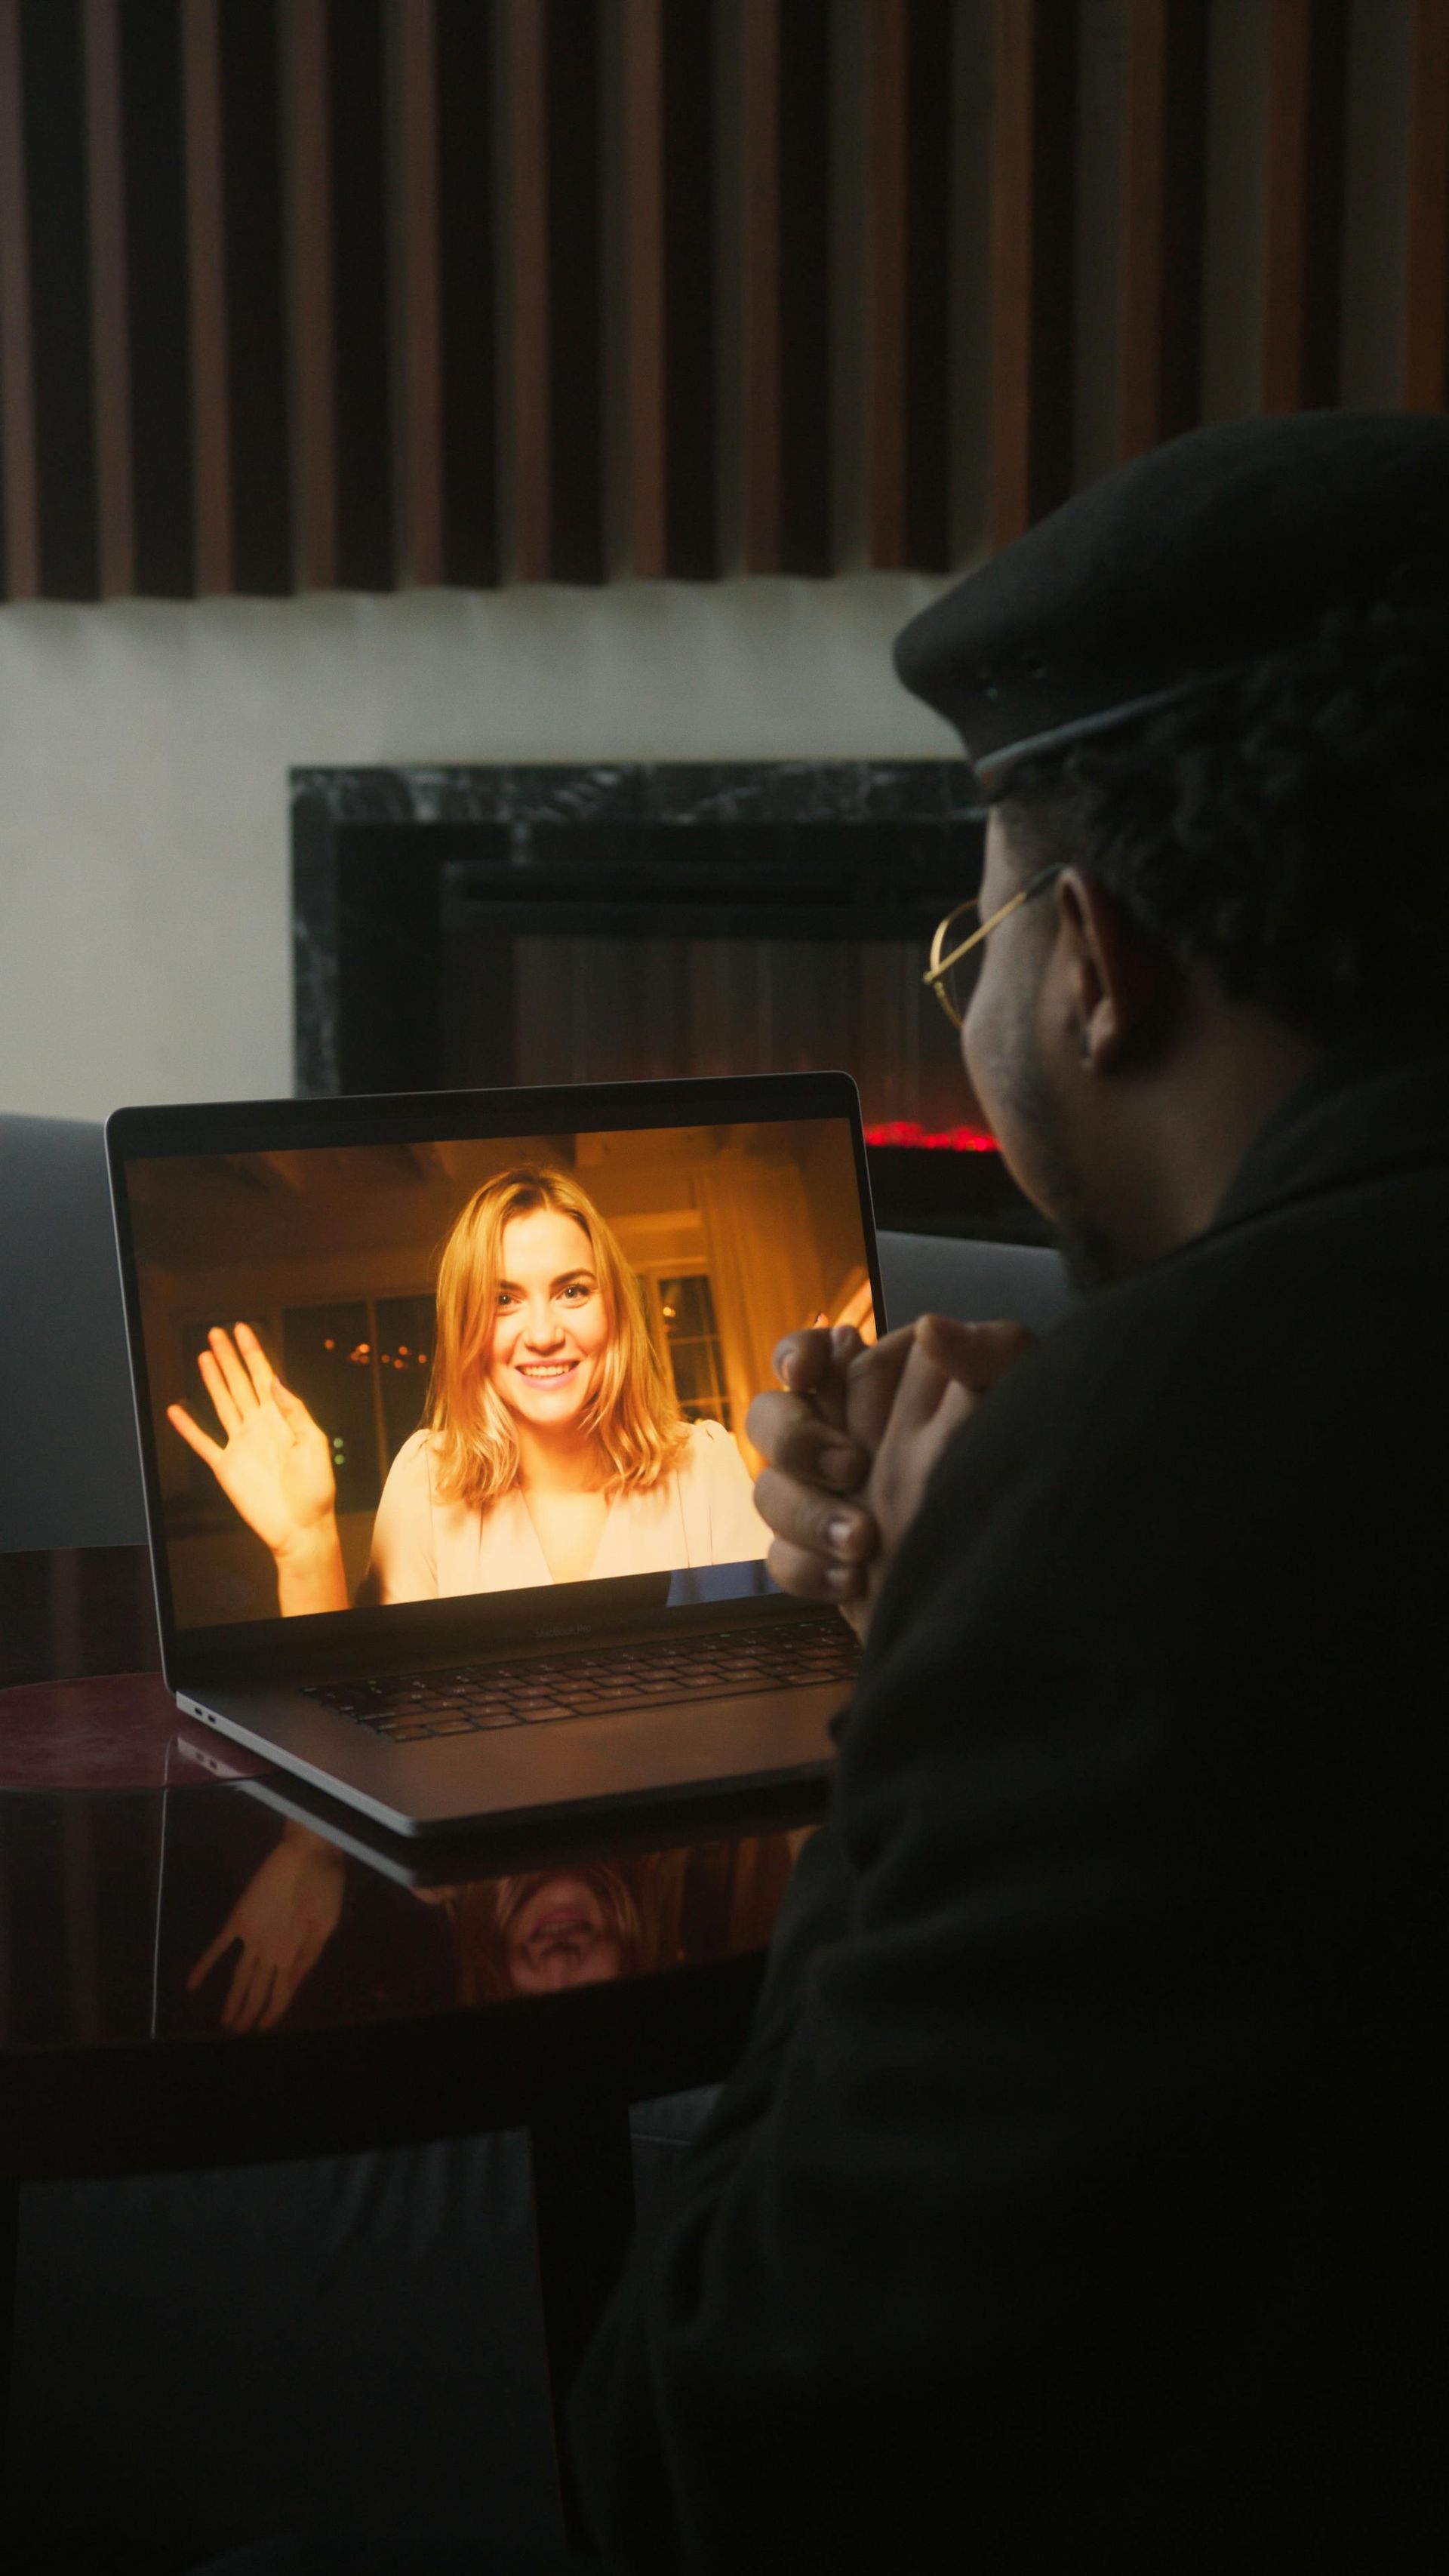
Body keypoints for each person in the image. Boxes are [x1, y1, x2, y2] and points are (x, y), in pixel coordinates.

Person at [195, 411, 1449, 2576]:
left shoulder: (1101, 1489)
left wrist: (934, 1643)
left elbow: (703, 2452)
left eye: (968, 963)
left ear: (1092, 958)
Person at [167, 1163, 767, 1617]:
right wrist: (306, 1548)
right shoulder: (427, 1480)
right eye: (503, 1299)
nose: (542, 1333)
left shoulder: (705, 1465)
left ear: (615, 1310)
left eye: (573, 1290)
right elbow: (360, 1715)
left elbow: (780, 1676)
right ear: (468, 1330)